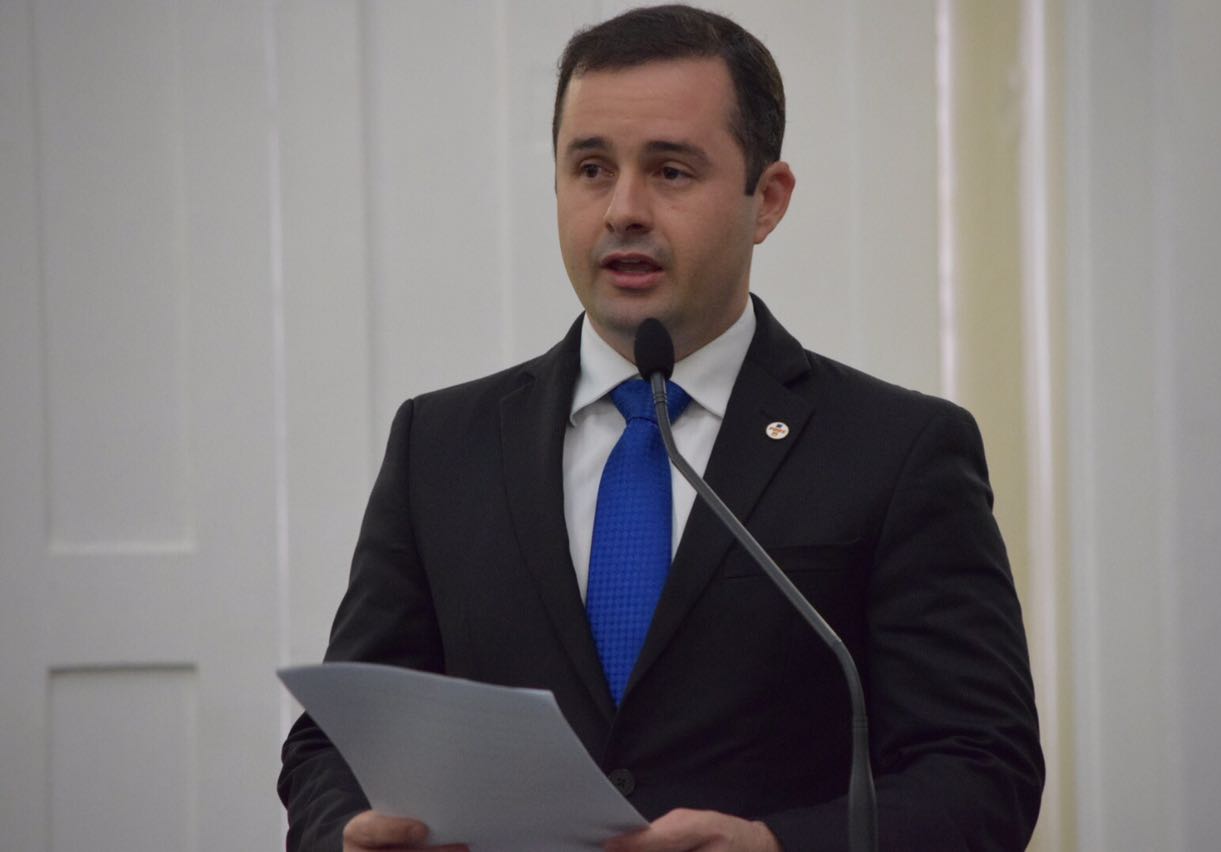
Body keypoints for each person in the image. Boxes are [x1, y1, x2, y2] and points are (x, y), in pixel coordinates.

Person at [278, 5, 1044, 851]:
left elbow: (983, 772)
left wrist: (776, 847)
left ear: (768, 200)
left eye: (671, 171)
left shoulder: (896, 452)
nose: (623, 210)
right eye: (591, 169)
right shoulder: (442, 445)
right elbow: (334, 741)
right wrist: (345, 834)